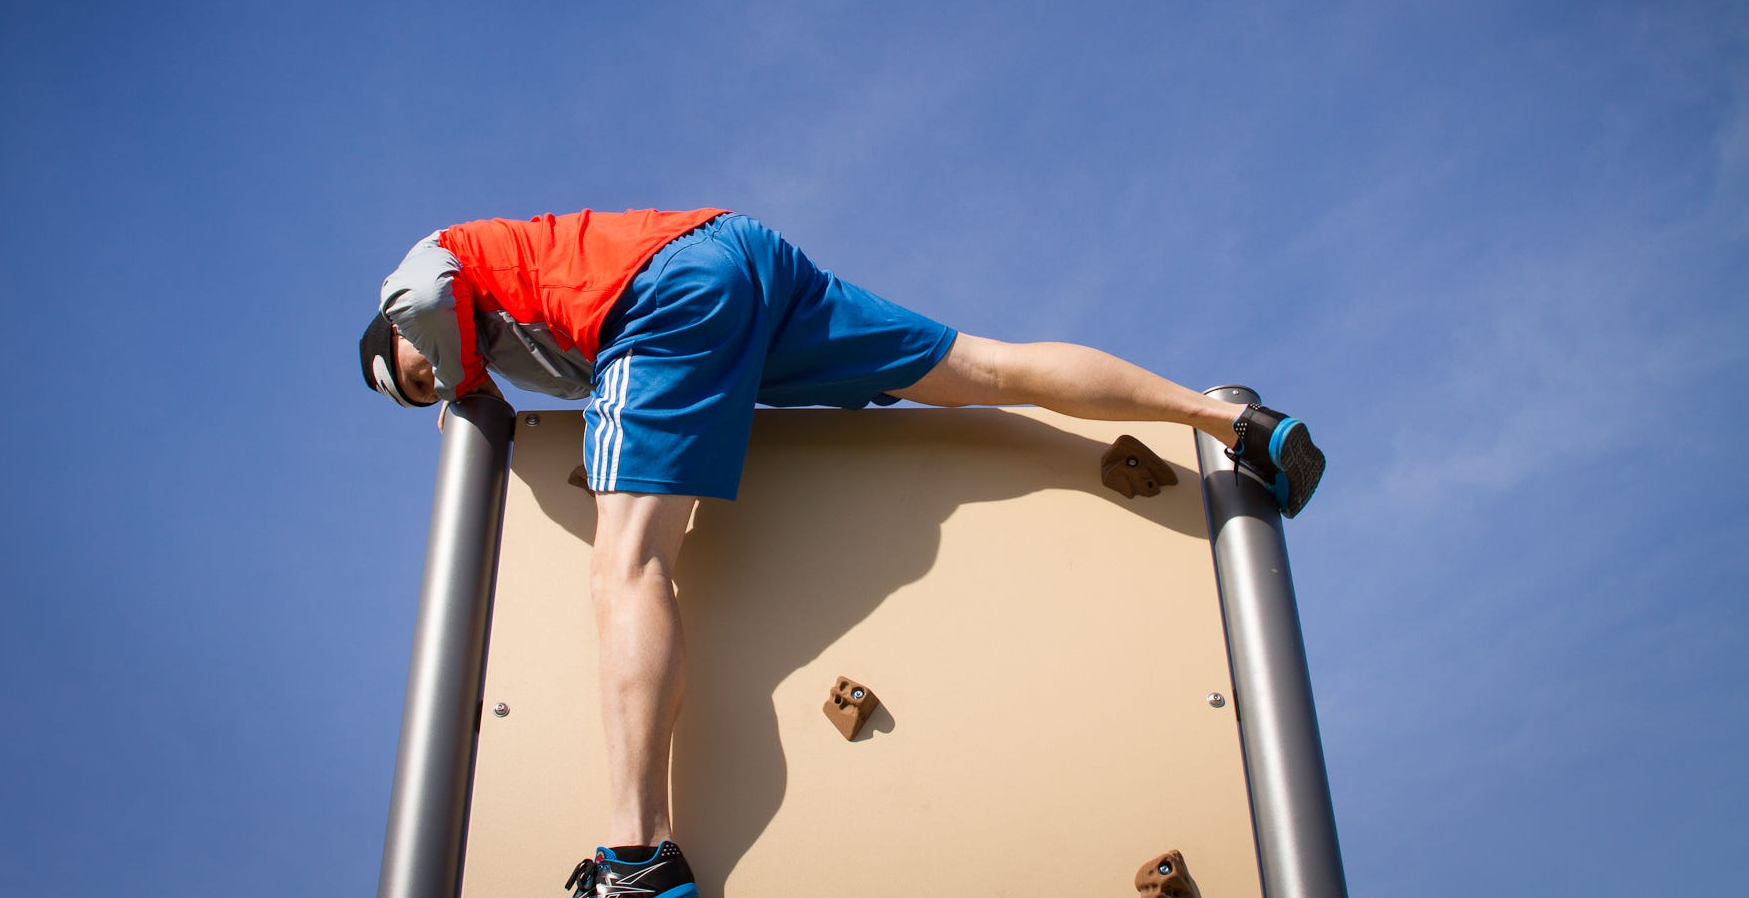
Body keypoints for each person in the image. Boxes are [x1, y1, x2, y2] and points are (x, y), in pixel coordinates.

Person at [359, 208, 1324, 898]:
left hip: (659, 295)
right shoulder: (513, 328)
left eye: (409, 375)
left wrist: (456, 385)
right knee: (979, 368)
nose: (428, 385)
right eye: (419, 390)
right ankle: (1234, 422)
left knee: (628, 567)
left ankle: (636, 853)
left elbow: (424, 294)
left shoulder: (435, 280)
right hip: (742, 260)